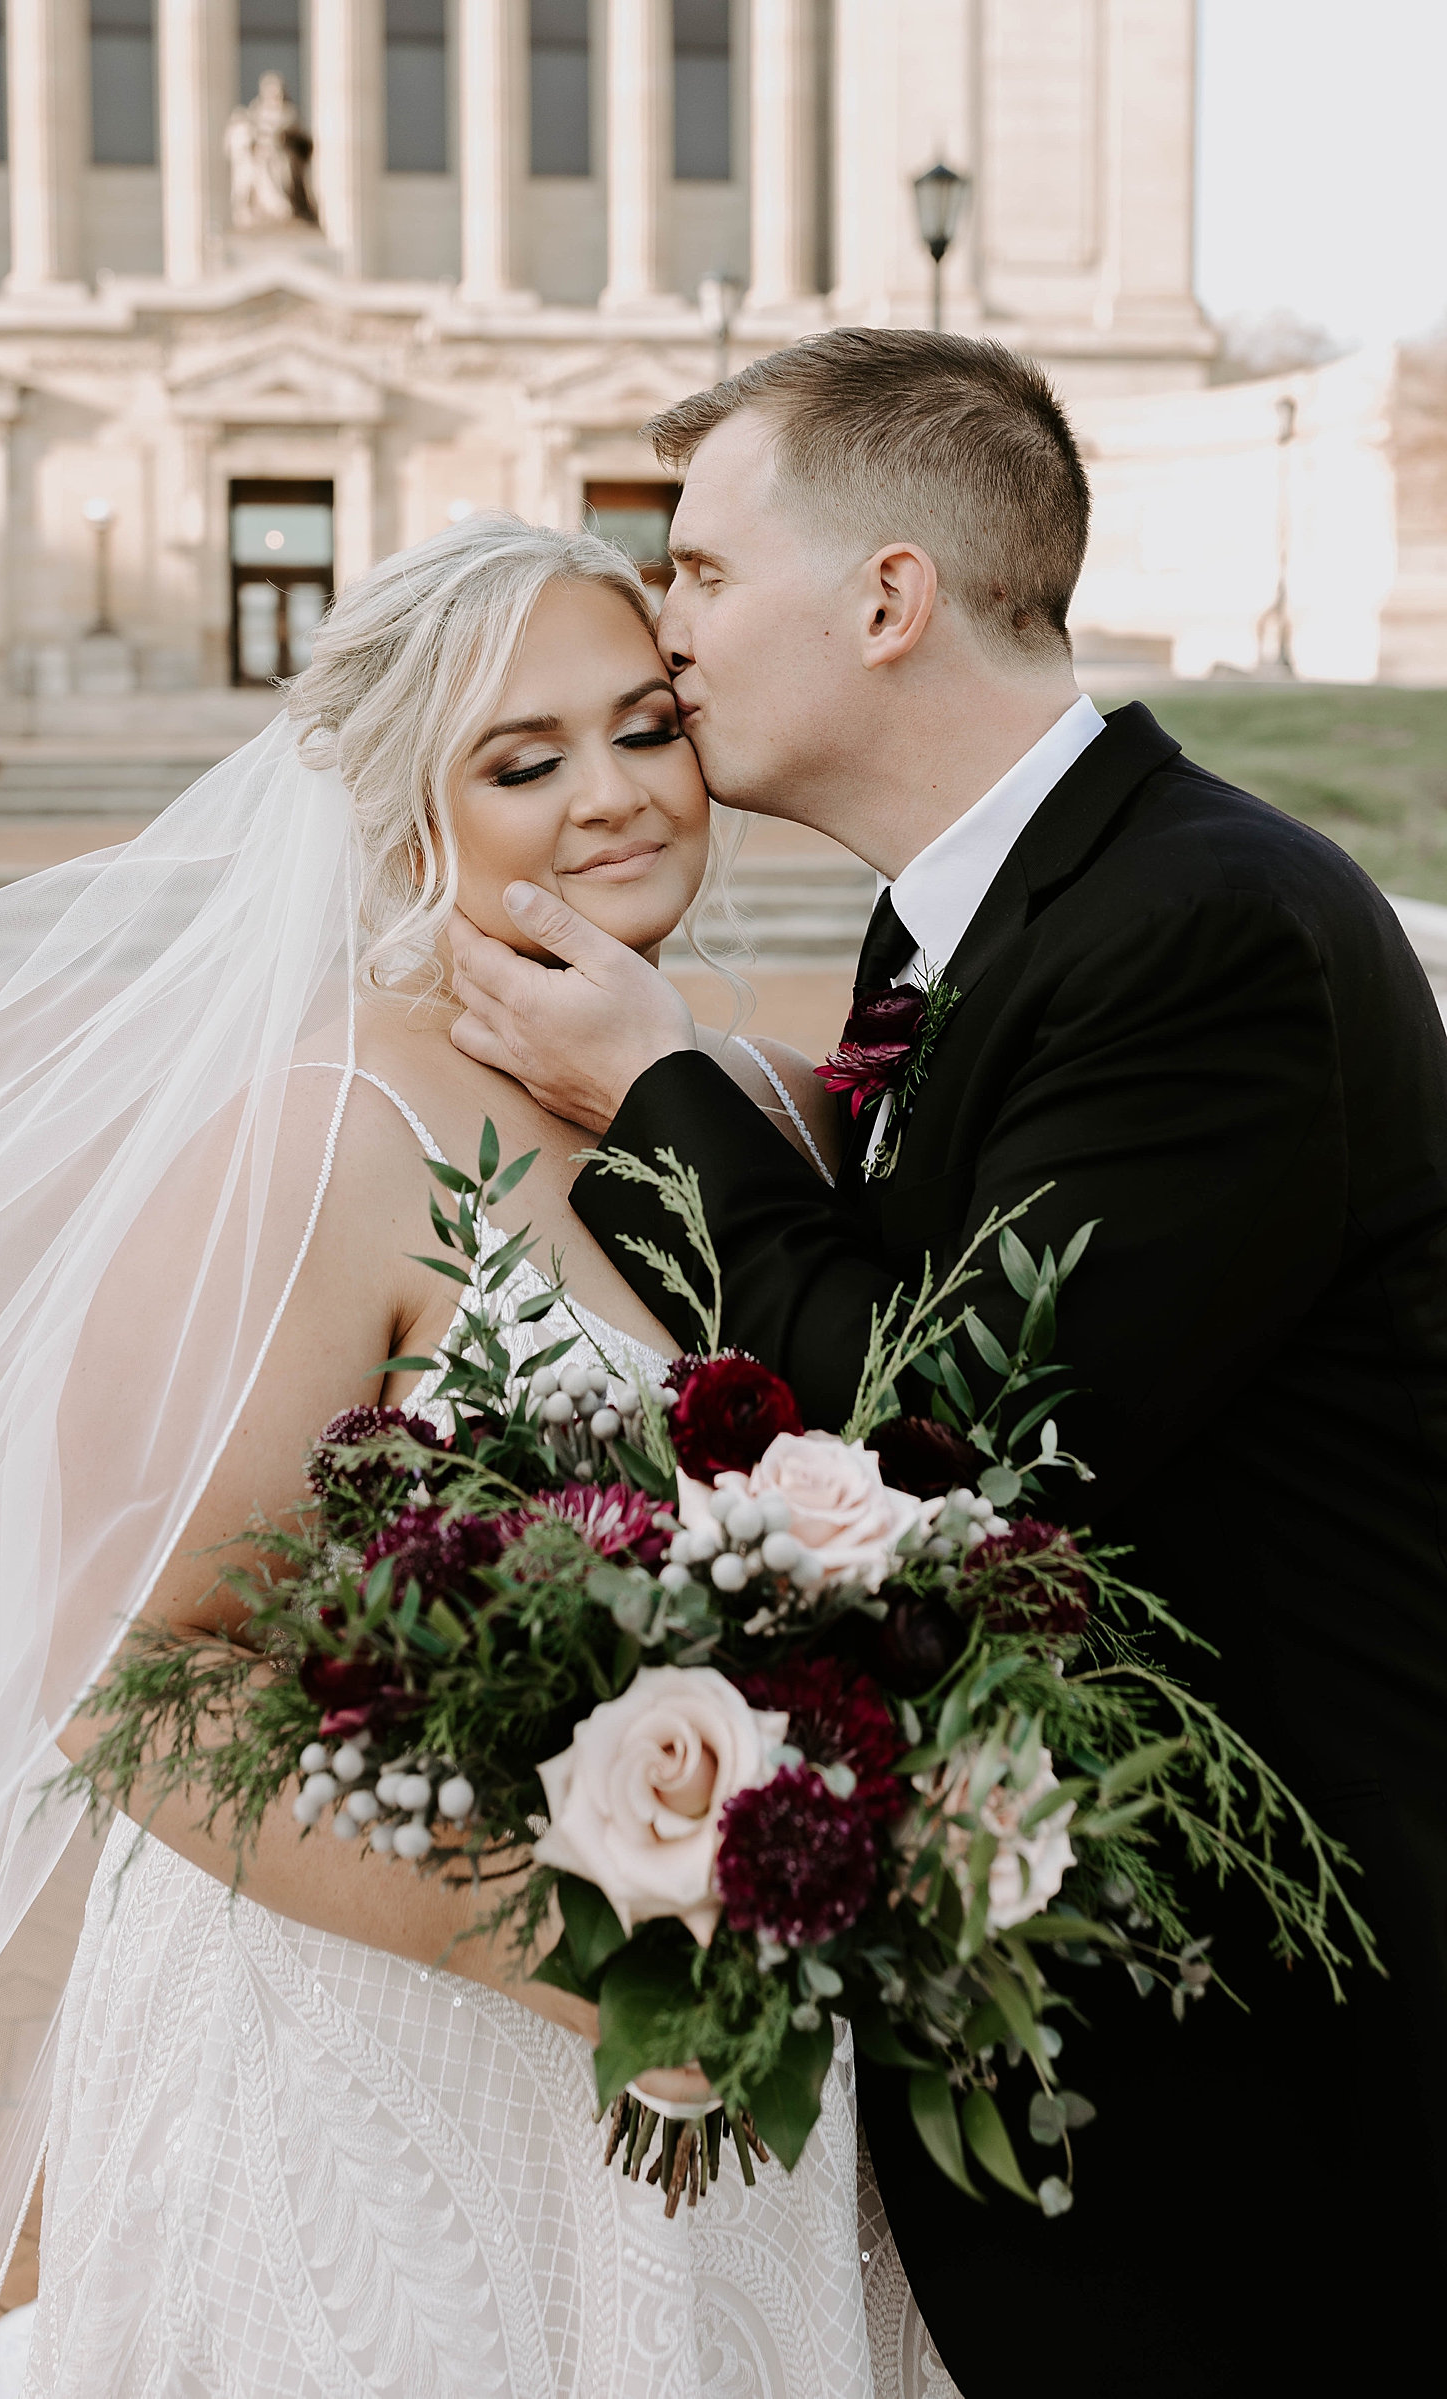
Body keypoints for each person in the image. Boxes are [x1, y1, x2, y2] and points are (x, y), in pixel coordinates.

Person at [447, 332, 1447, 2398]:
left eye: (704, 574)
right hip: (1093, 1974)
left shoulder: (1203, 928)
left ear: (885, 598)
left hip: (1285, 2007)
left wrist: (655, 1095)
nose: (669, 626)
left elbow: (950, 1432)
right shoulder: (960, 924)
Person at [0, 515, 939, 2397]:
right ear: (393, 812)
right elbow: (140, 1682)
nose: (611, 797)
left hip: (749, 2049)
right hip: (382, 2067)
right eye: (523, 764)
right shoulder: (323, 1137)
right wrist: (579, 1946)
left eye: (645, 730)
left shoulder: (754, 1108)